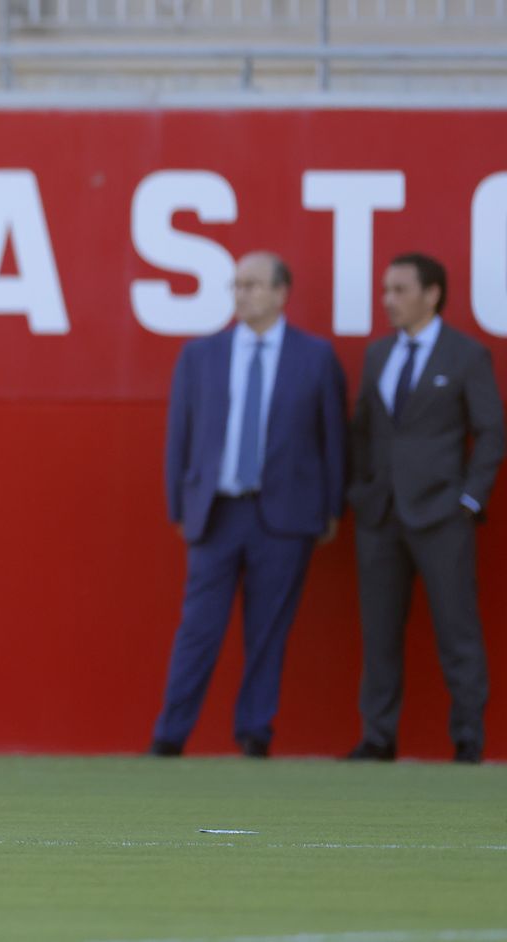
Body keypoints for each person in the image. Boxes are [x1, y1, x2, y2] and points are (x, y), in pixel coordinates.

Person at [150, 251, 347, 758]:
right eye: (237, 284)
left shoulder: (315, 357)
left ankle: (255, 732)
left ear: (281, 293)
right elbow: (180, 435)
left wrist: (332, 508)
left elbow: (332, 437)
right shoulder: (201, 355)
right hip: (216, 512)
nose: (242, 294)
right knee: (198, 629)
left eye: (253, 285)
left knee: (268, 631)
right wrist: (179, 506)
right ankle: (170, 735)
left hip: (285, 516)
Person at [345, 253, 504, 764]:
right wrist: (360, 490)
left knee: (457, 630)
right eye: (385, 290)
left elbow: (492, 431)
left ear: (432, 294)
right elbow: (363, 429)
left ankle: (468, 739)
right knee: (379, 633)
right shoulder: (378, 354)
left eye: (399, 290)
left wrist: (469, 498)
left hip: (441, 516)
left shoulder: (466, 355)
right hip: (380, 516)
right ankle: (378, 737)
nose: (388, 300)